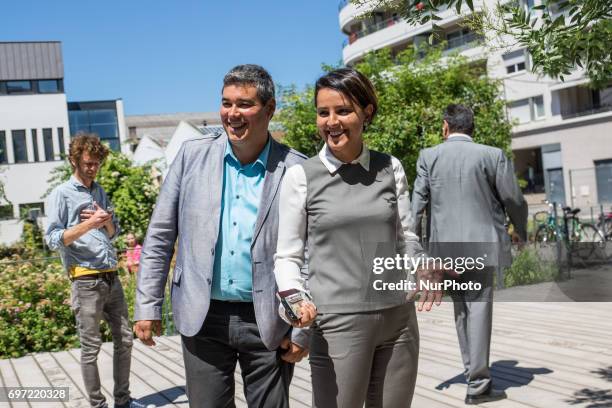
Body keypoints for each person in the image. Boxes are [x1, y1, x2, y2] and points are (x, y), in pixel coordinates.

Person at [133, 64, 309, 407]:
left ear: (269, 109)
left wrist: (303, 328)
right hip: (203, 316)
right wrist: (147, 305)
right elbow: (159, 236)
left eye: (244, 104)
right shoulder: (191, 157)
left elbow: (314, 253)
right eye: (226, 103)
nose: (232, 114)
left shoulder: (296, 169)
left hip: (270, 318)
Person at [274, 67, 441, 408]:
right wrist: (295, 302)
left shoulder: (390, 167)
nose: (331, 122)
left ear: (367, 112)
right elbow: (287, 257)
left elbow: (406, 236)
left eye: (343, 110)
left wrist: (422, 267)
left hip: (398, 321)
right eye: (324, 113)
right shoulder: (300, 177)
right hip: (337, 326)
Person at [411, 104, 528, 405]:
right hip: (481, 247)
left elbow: (416, 208)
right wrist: (522, 232)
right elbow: (514, 199)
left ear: (445, 127)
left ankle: (473, 376)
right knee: (477, 311)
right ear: (471, 128)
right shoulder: (493, 155)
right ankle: (478, 385)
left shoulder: (429, 156)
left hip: (444, 251)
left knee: (462, 313)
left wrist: (414, 251)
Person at [45, 134, 133, 408]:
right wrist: (90, 224)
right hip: (85, 280)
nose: (93, 168)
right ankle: (97, 405)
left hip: (111, 275)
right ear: (74, 160)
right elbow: (51, 239)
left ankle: (123, 401)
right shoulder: (62, 193)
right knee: (90, 347)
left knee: (126, 340)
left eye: (97, 163)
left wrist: (105, 222)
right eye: (87, 163)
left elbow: (113, 231)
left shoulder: (99, 191)